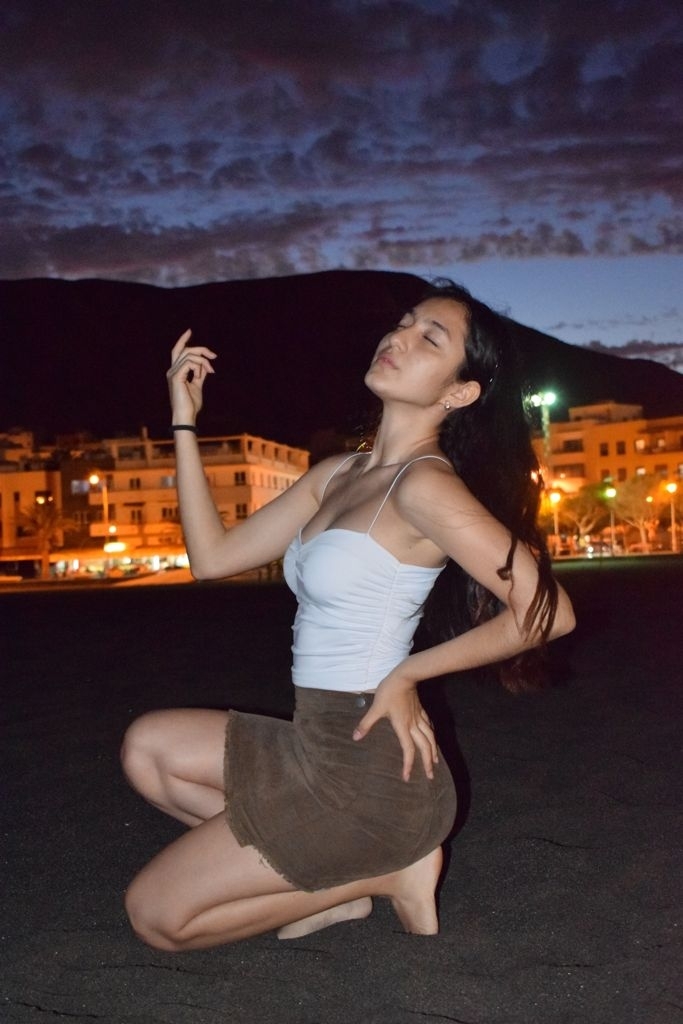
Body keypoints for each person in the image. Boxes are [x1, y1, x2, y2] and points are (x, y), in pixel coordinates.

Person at [122, 280, 575, 951]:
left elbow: (547, 613)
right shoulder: (339, 475)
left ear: (458, 393)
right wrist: (184, 422)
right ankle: (334, 872)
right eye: (404, 322)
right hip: (313, 740)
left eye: (430, 338)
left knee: (157, 916)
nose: (398, 338)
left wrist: (407, 674)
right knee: (147, 749)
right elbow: (211, 559)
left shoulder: (424, 485)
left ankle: (381, 871)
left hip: (371, 773)